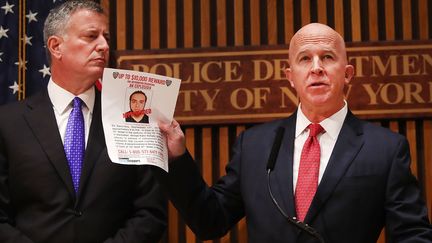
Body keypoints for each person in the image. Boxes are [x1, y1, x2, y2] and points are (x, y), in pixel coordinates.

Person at [157, 23, 432, 243]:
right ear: (290, 76)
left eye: (327, 57)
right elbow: (210, 222)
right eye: (304, 59)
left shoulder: (385, 149)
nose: (316, 68)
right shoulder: (254, 146)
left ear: (347, 73)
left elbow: (411, 235)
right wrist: (178, 158)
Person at [0, 1, 166, 243]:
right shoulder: (8, 123)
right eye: (91, 36)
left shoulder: (133, 120)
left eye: (106, 37)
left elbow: (150, 212)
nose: (104, 46)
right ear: (56, 46)